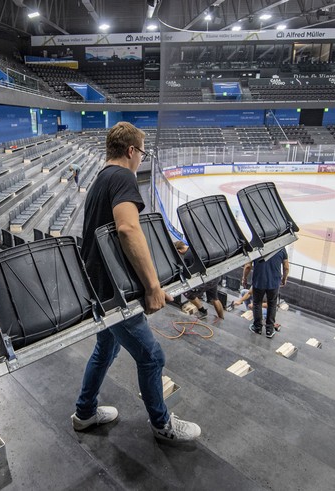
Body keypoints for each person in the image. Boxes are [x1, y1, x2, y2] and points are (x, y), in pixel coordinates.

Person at [72, 122, 201, 443]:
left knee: (105, 348)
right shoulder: (123, 177)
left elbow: (116, 232)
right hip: (114, 289)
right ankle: (162, 424)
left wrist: (168, 245)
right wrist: (154, 286)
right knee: (152, 356)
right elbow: (128, 229)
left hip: (99, 284)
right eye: (141, 152)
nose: (141, 159)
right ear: (131, 151)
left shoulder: (102, 178)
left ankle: (85, 413)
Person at [242, 248, 289, 338]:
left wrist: (244, 278)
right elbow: (286, 267)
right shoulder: (281, 248)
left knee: (257, 303)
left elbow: (248, 266)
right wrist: (284, 278)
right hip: (274, 283)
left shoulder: (255, 247)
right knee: (272, 305)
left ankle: (257, 327)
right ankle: (269, 330)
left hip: (258, 281)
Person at [173, 240, 225, 320]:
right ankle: (222, 319)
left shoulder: (187, 257)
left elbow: (190, 273)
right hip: (215, 275)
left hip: (207, 279)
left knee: (187, 292)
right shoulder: (195, 249)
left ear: (179, 250)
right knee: (215, 298)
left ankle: (202, 311)